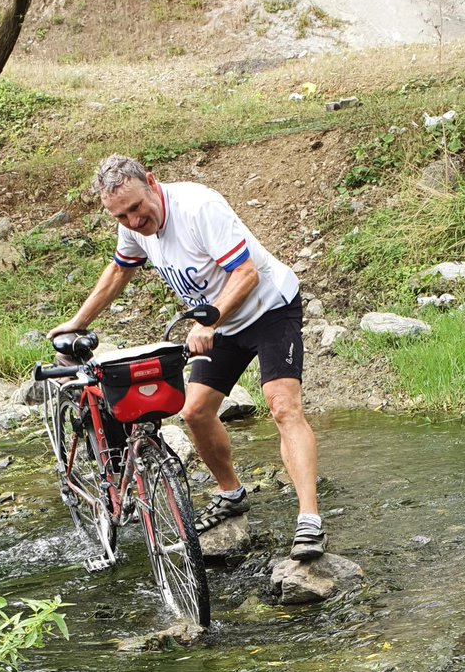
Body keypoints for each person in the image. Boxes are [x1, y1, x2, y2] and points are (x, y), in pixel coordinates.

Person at [47, 154, 326, 561]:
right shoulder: (134, 227)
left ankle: (309, 520)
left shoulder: (198, 208)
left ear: (152, 182)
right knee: (194, 412)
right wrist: (76, 323)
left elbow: (245, 274)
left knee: (282, 405)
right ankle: (231, 494)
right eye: (121, 216)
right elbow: (119, 271)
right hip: (220, 325)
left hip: (268, 308)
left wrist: (209, 322)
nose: (133, 222)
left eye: (137, 209)